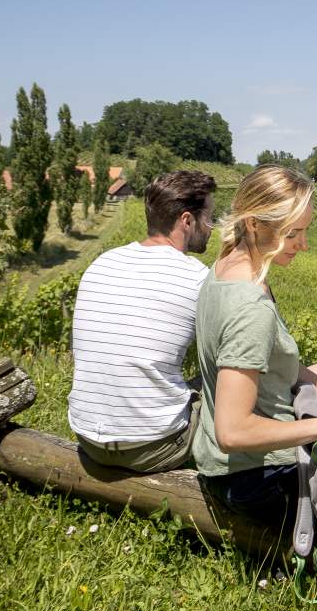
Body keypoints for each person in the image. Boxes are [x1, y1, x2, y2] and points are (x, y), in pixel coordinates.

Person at [192, 164, 317, 522]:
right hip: (256, 478)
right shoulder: (250, 307)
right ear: (255, 223)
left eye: (305, 231)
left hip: (231, 466)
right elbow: (233, 430)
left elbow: (277, 368)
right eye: (292, 234)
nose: (303, 244)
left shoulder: (226, 267)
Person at [68, 169, 216, 472]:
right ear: (187, 221)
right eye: (210, 216)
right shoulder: (198, 278)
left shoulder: (102, 261)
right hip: (152, 447)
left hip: (87, 438)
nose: (212, 226)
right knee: (234, 381)